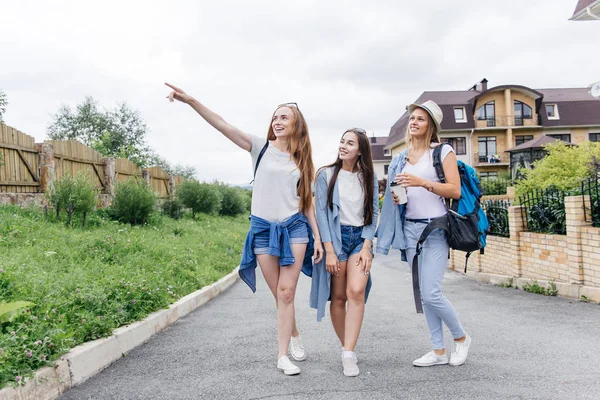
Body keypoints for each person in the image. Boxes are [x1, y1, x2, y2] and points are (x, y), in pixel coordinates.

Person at [165, 83, 323, 376]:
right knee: (279, 293)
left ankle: (282, 355)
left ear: (297, 124)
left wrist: (319, 238)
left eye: (284, 117)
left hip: (295, 229)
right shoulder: (258, 147)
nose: (277, 121)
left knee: (287, 292)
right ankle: (295, 334)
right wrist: (190, 101)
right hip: (263, 230)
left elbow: (307, 203)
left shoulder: (302, 160)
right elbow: (222, 125)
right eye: (275, 117)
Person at [376, 100, 472, 367]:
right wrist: (399, 197)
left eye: (420, 118)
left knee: (431, 292)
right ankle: (438, 351)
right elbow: (402, 194)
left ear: (431, 125)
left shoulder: (442, 152)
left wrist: (422, 182)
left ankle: (461, 338)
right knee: (422, 293)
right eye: (412, 118)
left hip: (436, 227)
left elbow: (455, 190)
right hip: (410, 229)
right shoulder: (400, 158)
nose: (414, 122)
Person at [310, 128, 378, 377]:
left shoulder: (368, 178)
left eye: (350, 143)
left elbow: (374, 214)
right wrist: (328, 250)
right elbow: (321, 216)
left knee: (356, 291)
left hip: (359, 240)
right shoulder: (326, 175)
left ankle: (348, 353)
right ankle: (346, 348)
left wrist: (367, 246)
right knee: (338, 298)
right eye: (342, 141)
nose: (343, 146)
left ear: (360, 150)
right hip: (336, 241)